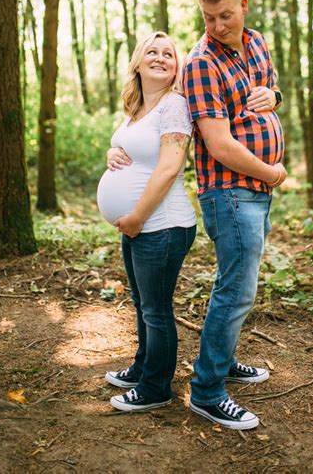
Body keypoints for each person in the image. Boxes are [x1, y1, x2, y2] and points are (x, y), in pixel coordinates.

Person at [183, 0, 287, 430]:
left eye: (225, 16)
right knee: (236, 290)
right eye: (209, 18)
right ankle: (206, 392)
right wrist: (272, 172)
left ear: (244, 5)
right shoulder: (201, 62)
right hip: (229, 191)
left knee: (237, 284)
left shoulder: (258, 43)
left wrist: (275, 95)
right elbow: (219, 144)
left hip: (255, 192)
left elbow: (267, 93)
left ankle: (222, 364)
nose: (217, 26)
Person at [97, 31, 197, 413]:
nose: (159, 58)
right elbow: (130, 148)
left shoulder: (174, 105)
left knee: (156, 310)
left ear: (176, 66)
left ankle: (156, 387)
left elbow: (170, 166)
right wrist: (112, 151)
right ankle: (143, 367)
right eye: (151, 52)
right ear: (138, 62)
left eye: (168, 54)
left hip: (162, 224)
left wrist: (137, 216)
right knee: (143, 304)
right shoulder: (137, 107)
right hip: (139, 226)